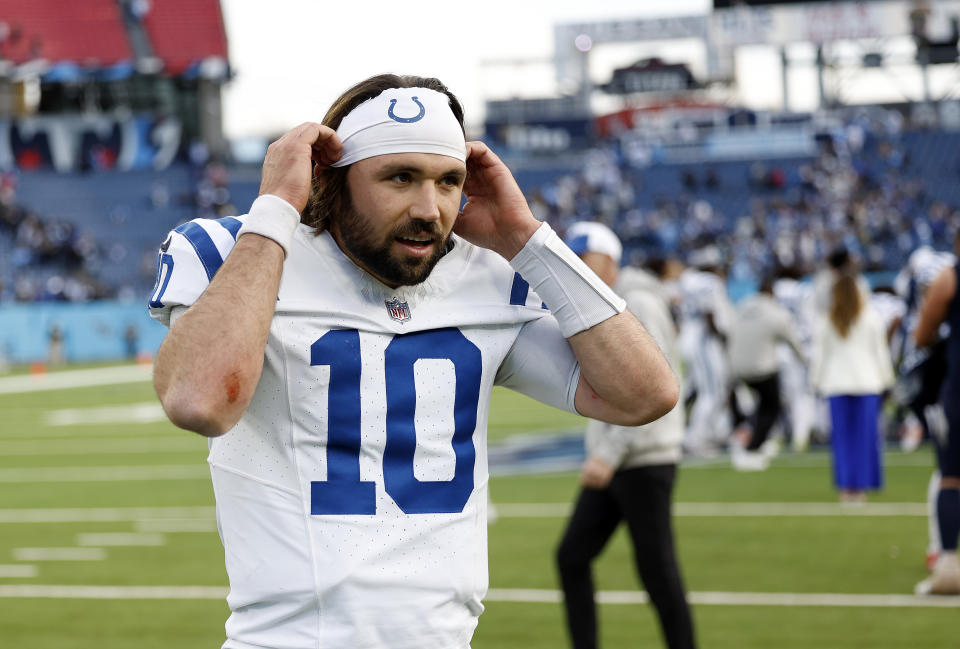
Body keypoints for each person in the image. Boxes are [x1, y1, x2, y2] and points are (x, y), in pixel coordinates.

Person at [148, 74, 678, 649]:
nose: (430, 209)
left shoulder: (486, 277)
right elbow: (199, 401)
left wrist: (527, 238)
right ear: (333, 176)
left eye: (449, 181)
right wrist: (275, 210)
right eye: (399, 177)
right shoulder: (238, 251)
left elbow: (644, 395)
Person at [556, 222, 695, 649]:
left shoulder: (636, 304)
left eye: (586, 258)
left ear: (611, 263)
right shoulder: (613, 302)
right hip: (623, 457)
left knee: (657, 572)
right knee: (572, 556)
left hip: (643, 457)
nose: (579, 267)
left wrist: (608, 454)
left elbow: (652, 392)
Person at [810, 273, 894, 503]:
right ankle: (862, 487)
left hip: (836, 385)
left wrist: (816, 382)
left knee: (843, 440)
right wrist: (887, 382)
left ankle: (847, 488)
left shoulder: (828, 320)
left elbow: (819, 357)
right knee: (865, 438)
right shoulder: (870, 318)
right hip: (867, 383)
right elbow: (881, 353)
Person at [913, 230, 960, 594]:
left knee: (951, 477)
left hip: (958, 388)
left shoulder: (949, 277)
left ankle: (948, 567)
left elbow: (922, 334)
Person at [727, 275, 803, 471]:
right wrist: (804, 360)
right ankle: (753, 447)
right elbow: (791, 340)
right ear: (771, 293)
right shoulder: (774, 311)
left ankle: (755, 438)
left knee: (760, 404)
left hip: (738, 367)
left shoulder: (742, 306)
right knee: (772, 405)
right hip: (762, 368)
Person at [675, 246, 733, 456]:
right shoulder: (709, 282)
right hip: (703, 338)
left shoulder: (687, 278)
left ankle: (717, 431)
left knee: (695, 388)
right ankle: (694, 438)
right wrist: (723, 339)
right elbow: (710, 314)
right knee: (712, 390)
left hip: (688, 336)